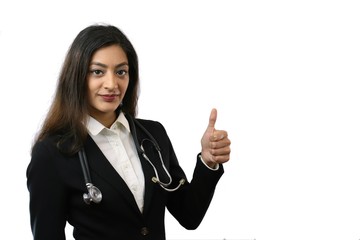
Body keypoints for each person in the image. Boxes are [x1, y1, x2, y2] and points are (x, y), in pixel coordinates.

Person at [26, 23, 231, 240]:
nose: (112, 83)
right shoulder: (52, 153)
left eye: (121, 71)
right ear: (77, 76)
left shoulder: (153, 135)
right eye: (98, 72)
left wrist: (208, 162)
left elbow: (189, 215)